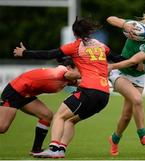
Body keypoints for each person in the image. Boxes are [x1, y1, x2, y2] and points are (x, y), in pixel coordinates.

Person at [14, 16, 121, 158]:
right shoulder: (102, 46)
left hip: (88, 90)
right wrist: (138, 61)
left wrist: (25, 53)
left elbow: (49, 54)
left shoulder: (75, 46)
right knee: (70, 120)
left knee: (59, 116)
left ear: (75, 33)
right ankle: (61, 149)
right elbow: (119, 57)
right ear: (89, 32)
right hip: (104, 95)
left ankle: (53, 148)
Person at [106, 0, 145, 156]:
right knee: (138, 100)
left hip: (138, 76)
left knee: (127, 115)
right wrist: (124, 25)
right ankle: (143, 136)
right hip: (120, 73)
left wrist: (112, 65)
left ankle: (114, 139)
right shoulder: (135, 26)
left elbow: (134, 61)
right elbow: (110, 18)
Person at [0, 58, 80, 155]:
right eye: (79, 69)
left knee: (47, 115)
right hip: (14, 92)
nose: (80, 71)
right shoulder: (62, 71)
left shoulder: (68, 79)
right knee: (2, 128)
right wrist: (89, 71)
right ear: (69, 68)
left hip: (26, 95)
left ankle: (36, 149)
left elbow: (82, 84)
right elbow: (70, 74)